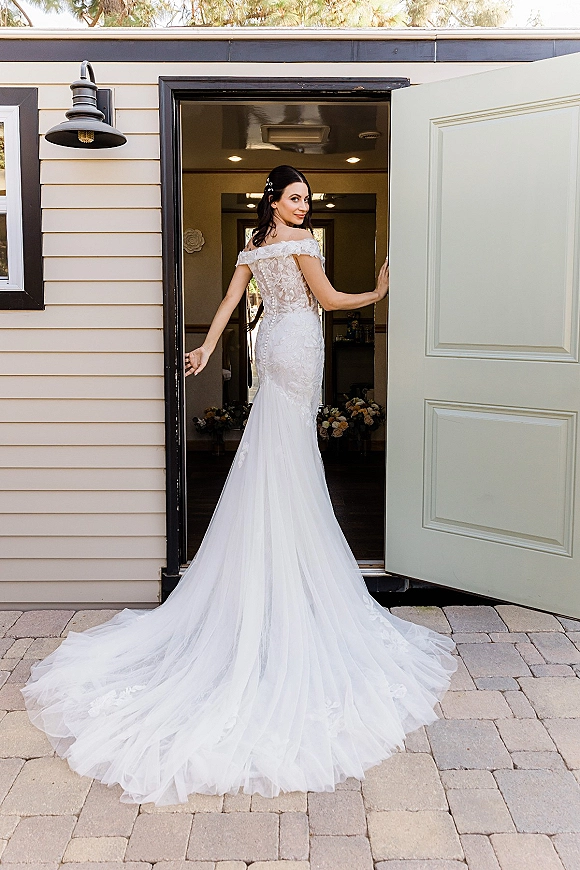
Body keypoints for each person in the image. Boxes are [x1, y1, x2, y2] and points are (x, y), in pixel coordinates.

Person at [21, 164, 457, 806]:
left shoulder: (253, 246)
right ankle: (287, 564)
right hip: (299, 344)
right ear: (275, 202)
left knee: (275, 446)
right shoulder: (303, 246)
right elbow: (331, 302)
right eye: (295, 197)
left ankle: (274, 555)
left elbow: (229, 303)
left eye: (308, 198)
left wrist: (206, 347)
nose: (305, 206)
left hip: (273, 345)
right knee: (292, 449)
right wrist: (378, 295)